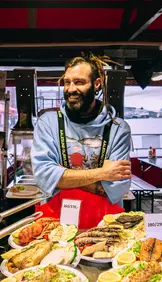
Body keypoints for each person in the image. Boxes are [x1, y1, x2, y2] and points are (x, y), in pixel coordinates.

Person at [31, 54, 132, 222]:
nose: (71, 89)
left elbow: (119, 187)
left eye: (79, 82)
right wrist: (103, 173)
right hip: (55, 221)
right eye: (67, 82)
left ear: (97, 84)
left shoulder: (118, 128)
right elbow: (43, 176)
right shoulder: (47, 123)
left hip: (104, 223)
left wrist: (62, 175)